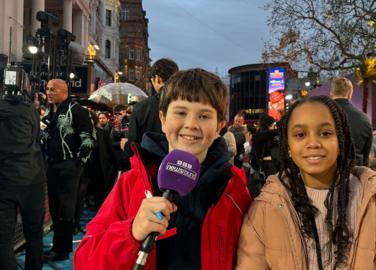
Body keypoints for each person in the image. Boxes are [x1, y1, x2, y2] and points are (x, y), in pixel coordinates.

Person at [74, 68, 252, 269]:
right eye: (181, 112)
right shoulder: (131, 182)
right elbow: (85, 261)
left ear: (219, 125)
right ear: (163, 119)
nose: (191, 124)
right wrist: (131, 232)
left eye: (204, 116)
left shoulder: (234, 188)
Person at [236, 95, 376, 269]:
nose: (313, 142)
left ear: (341, 141)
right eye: (300, 134)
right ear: (288, 146)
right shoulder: (265, 209)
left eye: (325, 133)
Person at [43, 79, 95, 261]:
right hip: (53, 164)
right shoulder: (52, 110)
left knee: (65, 210)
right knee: (56, 209)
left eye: (53, 90)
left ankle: (62, 250)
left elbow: (88, 140)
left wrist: (77, 163)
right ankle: (58, 247)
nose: (49, 92)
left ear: (64, 91)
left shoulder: (77, 111)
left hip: (69, 166)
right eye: (47, 89)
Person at [0, 79, 46, 269]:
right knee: (34, 233)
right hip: (31, 178)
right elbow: (36, 138)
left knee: (3, 239)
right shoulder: (30, 111)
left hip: (4, 180)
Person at [127, 58, 179, 146]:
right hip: (181, 158)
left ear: (157, 79)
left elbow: (133, 144)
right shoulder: (188, 102)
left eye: (152, 80)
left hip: (148, 157)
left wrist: (125, 146)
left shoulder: (141, 107)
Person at [330, 76, 372, 166]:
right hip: (354, 172)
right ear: (350, 94)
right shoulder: (364, 119)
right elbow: (366, 154)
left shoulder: (320, 115)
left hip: (327, 172)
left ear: (331, 93)